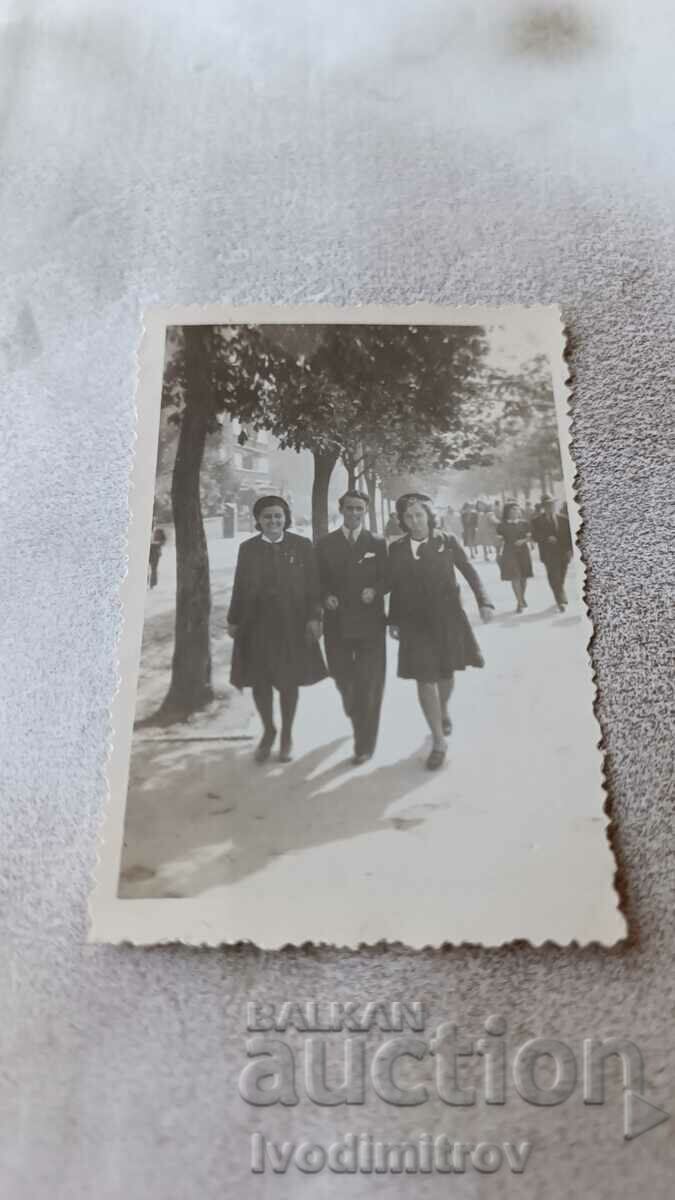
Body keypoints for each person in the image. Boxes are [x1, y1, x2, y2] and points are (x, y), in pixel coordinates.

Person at [388, 493, 494, 771]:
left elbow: (470, 572)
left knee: (445, 674)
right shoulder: (397, 548)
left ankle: (443, 709)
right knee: (424, 678)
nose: (414, 521)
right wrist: (394, 620)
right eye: (408, 517)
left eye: (419, 515)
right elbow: (396, 587)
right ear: (403, 520)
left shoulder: (446, 541)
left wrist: (484, 601)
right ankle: (438, 741)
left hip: (447, 617)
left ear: (428, 515)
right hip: (414, 622)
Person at [227, 495, 327, 763]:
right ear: (258, 520)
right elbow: (240, 586)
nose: (273, 521)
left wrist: (314, 618)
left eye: (278, 516)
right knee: (260, 682)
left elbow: (313, 586)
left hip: (291, 625)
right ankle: (269, 731)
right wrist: (233, 620)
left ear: (286, 518)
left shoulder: (301, 546)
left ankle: (287, 735)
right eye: (267, 516)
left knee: (288, 682)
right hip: (256, 626)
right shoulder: (248, 549)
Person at [317, 491, 388, 765]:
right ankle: (356, 713)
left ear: (365, 511)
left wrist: (376, 590)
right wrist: (326, 597)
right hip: (337, 624)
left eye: (359, 509)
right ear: (341, 509)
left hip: (370, 625)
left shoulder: (377, 543)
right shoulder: (326, 544)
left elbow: (388, 577)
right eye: (349, 508)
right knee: (342, 678)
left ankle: (364, 743)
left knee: (370, 683)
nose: (354, 513)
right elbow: (317, 579)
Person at [531, 495, 573, 611]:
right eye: (547, 505)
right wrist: (546, 538)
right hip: (548, 554)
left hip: (563, 553)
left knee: (561, 576)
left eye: (552, 504)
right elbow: (534, 536)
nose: (550, 507)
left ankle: (559, 593)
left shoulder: (564, 519)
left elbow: (570, 537)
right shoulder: (537, 521)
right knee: (554, 576)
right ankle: (561, 600)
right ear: (543, 507)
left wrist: (570, 550)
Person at [496, 501, 533, 612]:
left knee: (524, 577)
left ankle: (522, 597)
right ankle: (519, 602)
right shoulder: (502, 525)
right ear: (507, 512)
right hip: (509, 552)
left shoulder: (524, 523)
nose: (516, 512)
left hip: (523, 552)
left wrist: (523, 541)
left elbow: (530, 537)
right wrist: (497, 553)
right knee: (515, 576)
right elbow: (499, 540)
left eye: (517, 509)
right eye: (513, 510)